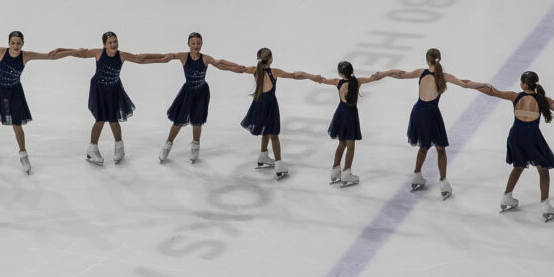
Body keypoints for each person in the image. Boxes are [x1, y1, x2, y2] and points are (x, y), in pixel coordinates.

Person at [474, 71, 554, 221]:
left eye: (521, 81)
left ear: (525, 84)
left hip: (515, 135)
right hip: (532, 136)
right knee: (543, 170)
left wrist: (473, 86)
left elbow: (491, 92)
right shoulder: (542, 100)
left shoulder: (514, 96)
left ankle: (506, 197)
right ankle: (545, 205)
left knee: (518, 166)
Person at [0, 31, 82, 173]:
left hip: (15, 93)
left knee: (17, 126)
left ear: (23, 44)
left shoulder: (26, 55)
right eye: (13, 43)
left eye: (18, 43)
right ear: (8, 43)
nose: (16, 46)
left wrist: (73, 51)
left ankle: (23, 154)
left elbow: (51, 57)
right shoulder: (0, 52)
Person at [50, 32, 169, 165]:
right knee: (100, 120)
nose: (113, 44)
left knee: (113, 120)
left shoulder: (122, 55)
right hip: (99, 90)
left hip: (114, 90)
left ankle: (119, 148)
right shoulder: (98, 53)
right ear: (104, 44)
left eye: (115, 41)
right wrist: (61, 49)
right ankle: (92, 149)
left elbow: (140, 59)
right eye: (110, 42)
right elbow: (80, 53)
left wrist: (163, 57)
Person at [384, 48, 485, 198]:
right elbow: (464, 84)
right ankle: (443, 183)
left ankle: (416, 175)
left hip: (418, 112)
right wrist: (483, 84)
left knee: (423, 146)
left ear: (427, 59)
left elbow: (401, 75)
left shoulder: (421, 72)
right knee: (441, 149)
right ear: (440, 59)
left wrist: (386, 72)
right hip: (431, 114)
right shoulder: (444, 76)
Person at [155, 32, 246, 164]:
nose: (196, 45)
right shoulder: (183, 56)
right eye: (193, 43)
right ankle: (168, 144)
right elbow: (167, 56)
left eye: (198, 43)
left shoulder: (206, 58)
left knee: (197, 121)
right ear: (188, 44)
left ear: (202, 44)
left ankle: (195, 145)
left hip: (201, 92)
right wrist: (154, 57)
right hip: (187, 93)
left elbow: (219, 64)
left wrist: (234, 68)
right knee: (178, 120)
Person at [306, 61, 391, 186]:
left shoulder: (338, 82)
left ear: (340, 73)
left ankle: (335, 170)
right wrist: (390, 72)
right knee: (350, 145)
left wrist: (306, 75)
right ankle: (346, 172)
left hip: (340, 115)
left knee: (342, 144)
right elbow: (375, 78)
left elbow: (321, 80)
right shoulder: (357, 81)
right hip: (350, 116)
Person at [237, 47, 313, 180]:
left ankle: (263, 155)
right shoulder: (274, 72)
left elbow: (239, 69)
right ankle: (279, 164)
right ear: (270, 59)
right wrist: (309, 76)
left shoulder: (254, 70)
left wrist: (222, 64)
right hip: (270, 105)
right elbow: (294, 76)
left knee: (265, 130)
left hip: (258, 103)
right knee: (274, 134)